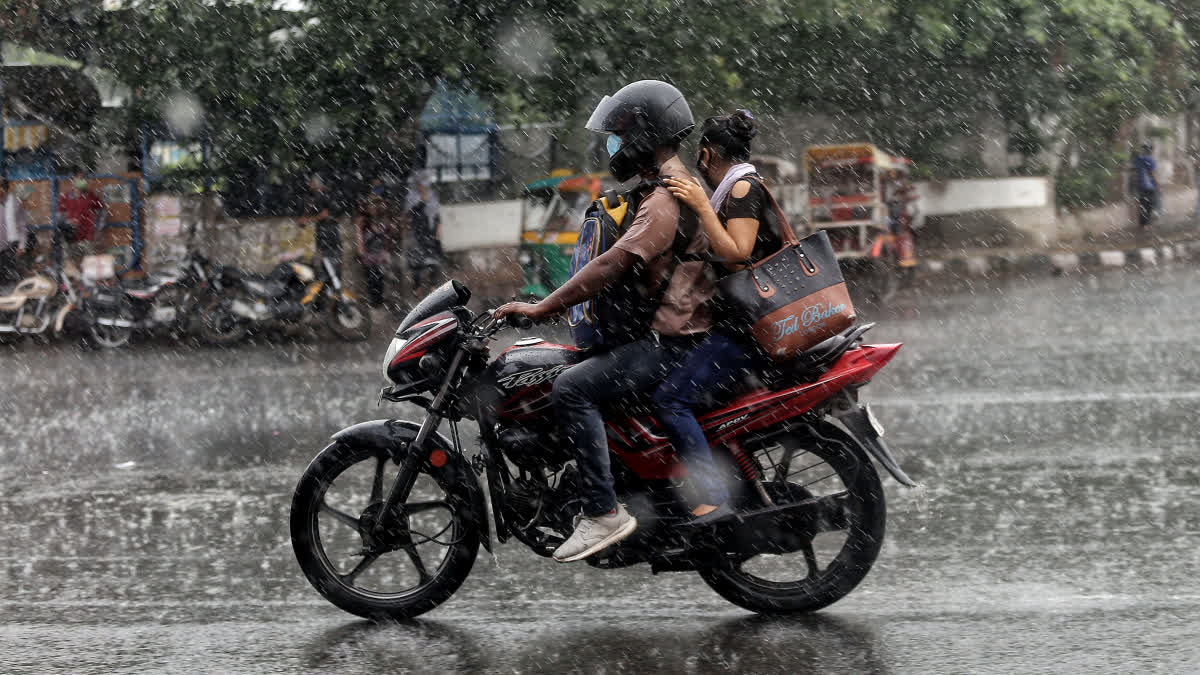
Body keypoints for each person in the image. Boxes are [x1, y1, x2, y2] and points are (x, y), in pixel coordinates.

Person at [494, 80, 712, 563]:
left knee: (571, 388)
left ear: (645, 135)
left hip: (671, 343)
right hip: (668, 336)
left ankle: (602, 511)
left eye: (618, 134)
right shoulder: (665, 186)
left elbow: (613, 263)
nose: (612, 144)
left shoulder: (664, 198)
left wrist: (541, 307)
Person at [655, 110, 783, 524]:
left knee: (672, 400)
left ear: (707, 155)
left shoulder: (742, 187)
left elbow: (738, 252)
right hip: (742, 323)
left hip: (746, 329)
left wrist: (699, 205)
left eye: (700, 161)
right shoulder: (737, 186)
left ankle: (711, 497)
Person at [355, 182, 393, 308]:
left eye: (377, 203)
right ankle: (374, 301)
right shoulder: (363, 217)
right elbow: (359, 232)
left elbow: (387, 232)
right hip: (369, 252)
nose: (374, 206)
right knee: (371, 278)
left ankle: (378, 301)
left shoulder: (383, 214)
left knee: (380, 277)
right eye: (372, 203)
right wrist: (360, 249)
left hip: (380, 252)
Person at [405, 171, 443, 295]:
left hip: (429, 235)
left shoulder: (432, 196)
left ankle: (433, 287)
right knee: (416, 264)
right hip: (417, 234)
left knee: (434, 262)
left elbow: (437, 215)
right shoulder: (411, 196)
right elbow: (412, 212)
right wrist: (422, 198)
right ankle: (417, 288)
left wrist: (437, 231)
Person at [299, 176, 342, 273]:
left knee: (332, 272)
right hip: (320, 243)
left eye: (311, 182)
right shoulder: (311, 199)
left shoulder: (329, 197)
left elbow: (335, 216)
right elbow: (301, 221)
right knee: (322, 272)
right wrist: (317, 217)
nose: (309, 185)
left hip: (331, 241)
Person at [60, 173, 106, 262]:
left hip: (87, 236)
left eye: (83, 180)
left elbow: (103, 211)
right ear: (73, 182)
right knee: (70, 262)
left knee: (89, 263)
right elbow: (59, 215)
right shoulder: (66, 197)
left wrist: (99, 228)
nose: (81, 182)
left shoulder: (91, 196)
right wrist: (67, 222)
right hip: (71, 236)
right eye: (78, 180)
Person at [0, 178, 32, 284]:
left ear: (6, 189)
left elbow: (22, 226)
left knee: (10, 278)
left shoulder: (14, 203)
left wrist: (22, 245)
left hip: (10, 246)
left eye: (2, 187)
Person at [1134, 143, 1158, 227]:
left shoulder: (1138, 159)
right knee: (1150, 205)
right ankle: (1147, 224)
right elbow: (1153, 173)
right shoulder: (1151, 160)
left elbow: (1136, 170)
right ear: (1151, 150)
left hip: (1140, 185)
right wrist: (1158, 183)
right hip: (1150, 186)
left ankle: (1142, 224)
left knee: (1142, 204)